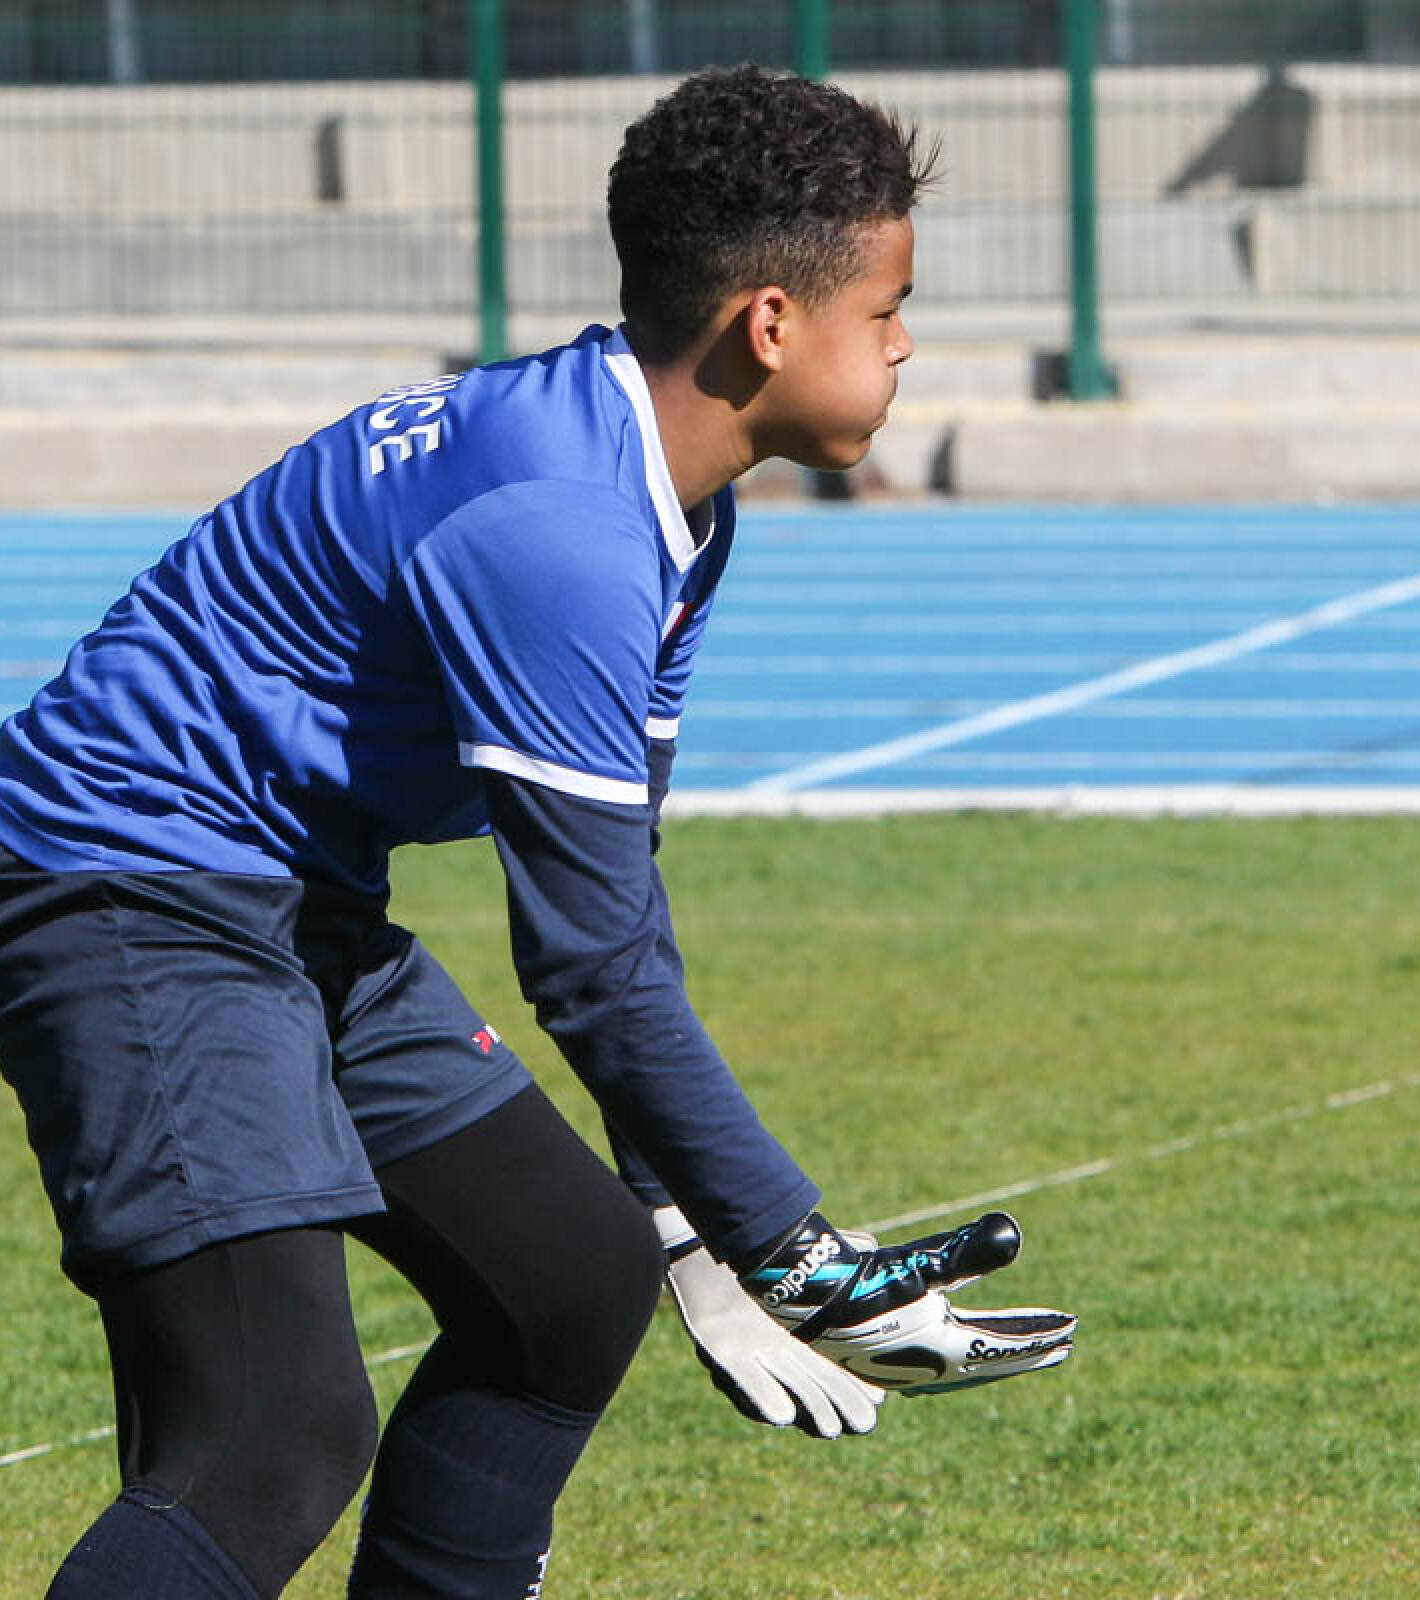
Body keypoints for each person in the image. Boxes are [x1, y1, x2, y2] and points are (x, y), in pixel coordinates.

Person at [0, 63, 1075, 1599]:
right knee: (272, 1433)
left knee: (567, 1280)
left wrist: (687, 1225)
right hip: (121, 886)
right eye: (889, 307)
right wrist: (797, 1254)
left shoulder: (673, 503)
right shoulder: (564, 527)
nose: (905, 342)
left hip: (283, 897)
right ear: (772, 324)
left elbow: (614, 904)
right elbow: (589, 969)